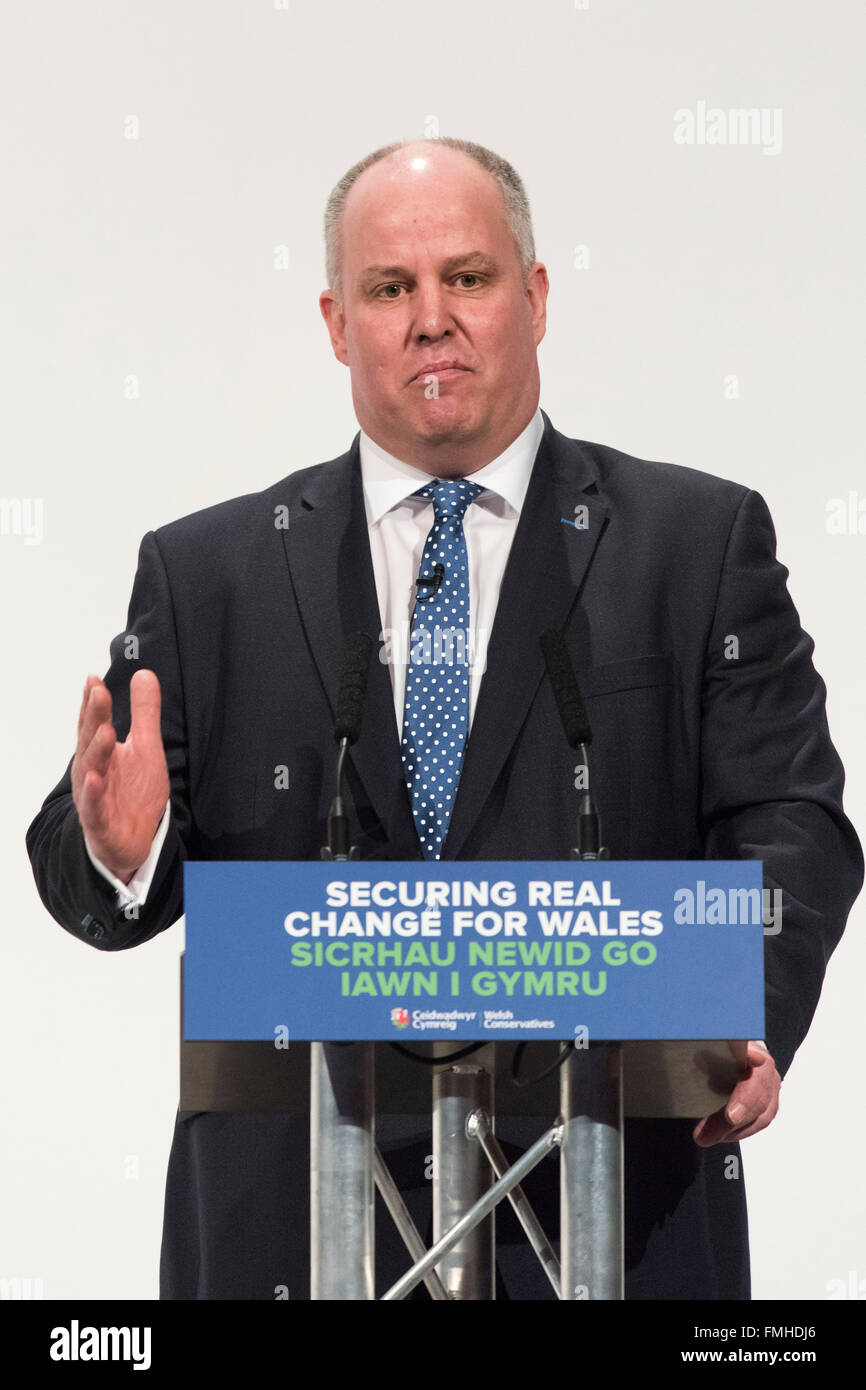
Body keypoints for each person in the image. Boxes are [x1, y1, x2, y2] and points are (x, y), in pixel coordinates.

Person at [26, 137, 863, 1300]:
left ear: (532, 295)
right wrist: (126, 855)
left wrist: (744, 1007)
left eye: (466, 278)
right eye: (388, 288)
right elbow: (87, 858)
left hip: (612, 1219)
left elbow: (789, 819)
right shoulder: (208, 573)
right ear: (335, 321)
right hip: (287, 1231)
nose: (431, 318)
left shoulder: (694, 543)